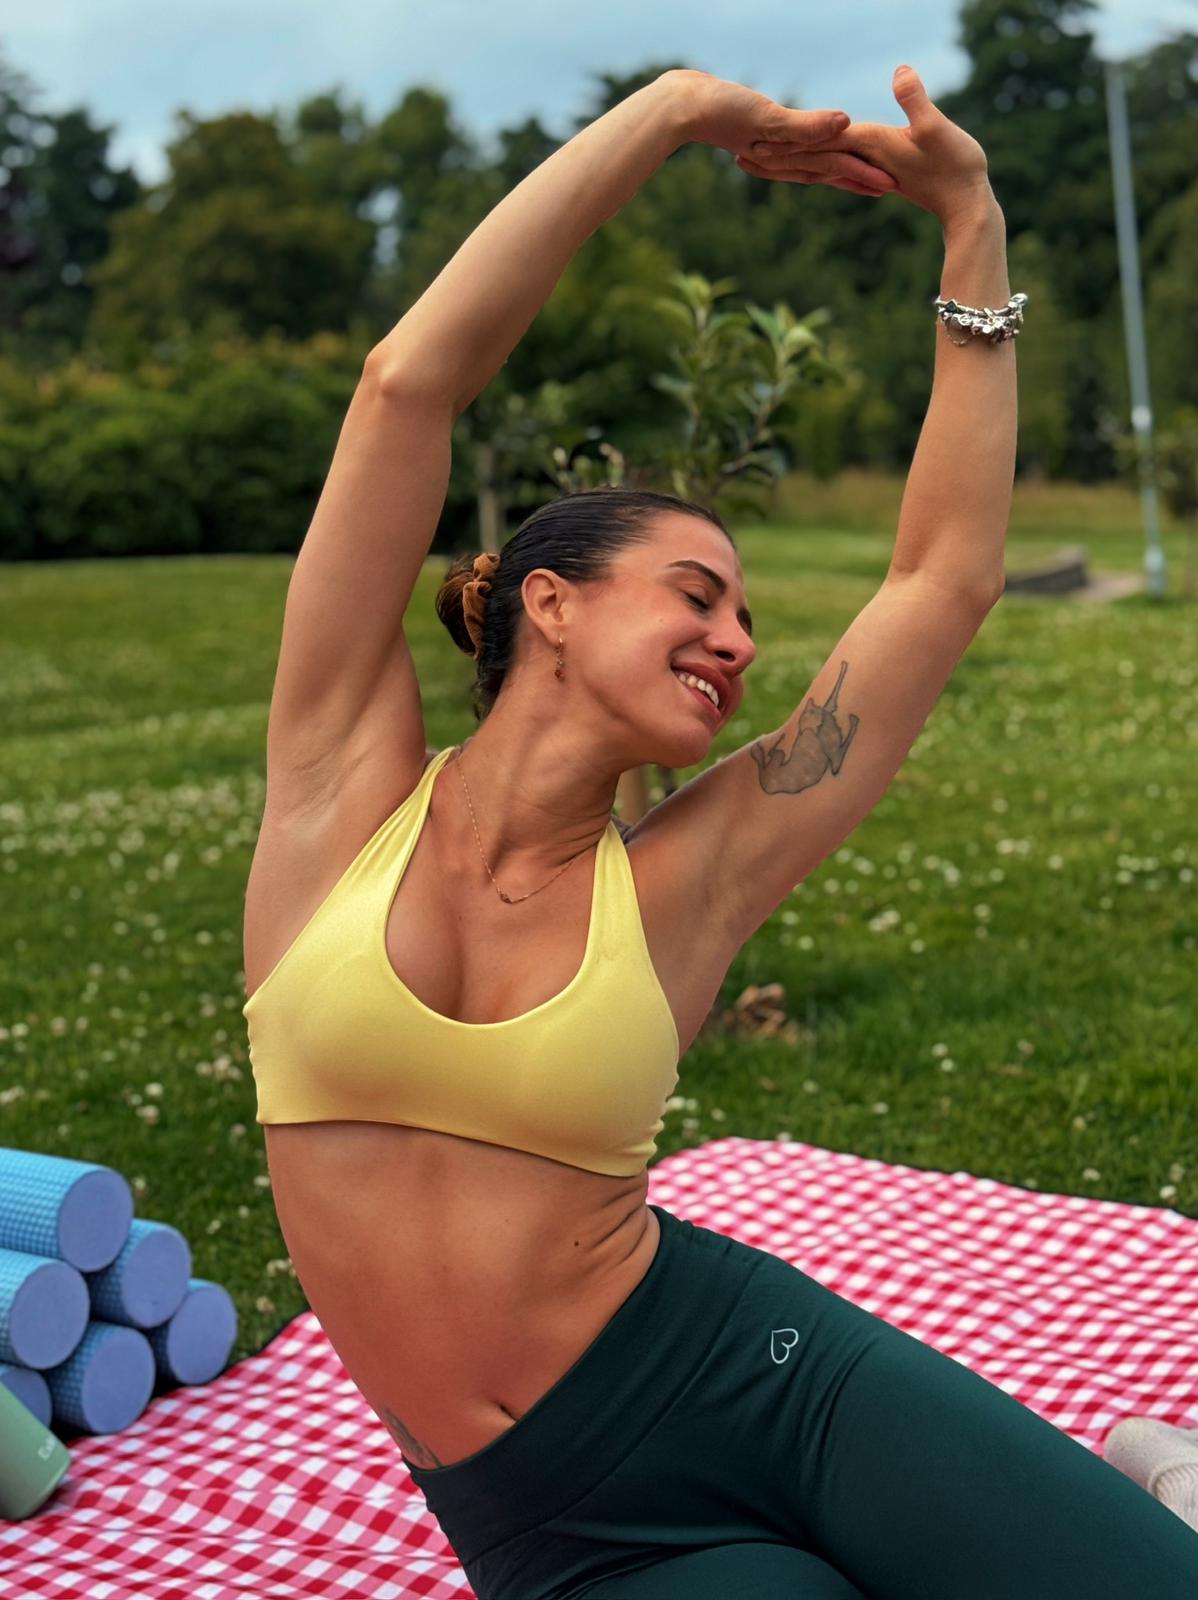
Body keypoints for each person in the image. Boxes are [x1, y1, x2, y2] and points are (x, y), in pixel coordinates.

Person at [240, 65, 1198, 1599]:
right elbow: (405, 385)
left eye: (747, 613)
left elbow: (936, 582)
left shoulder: (684, 881)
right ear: (546, 604)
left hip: (759, 1380)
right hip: (557, 1527)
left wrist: (970, 222)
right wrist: (670, 114)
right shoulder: (335, 795)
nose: (739, 639)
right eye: (696, 594)